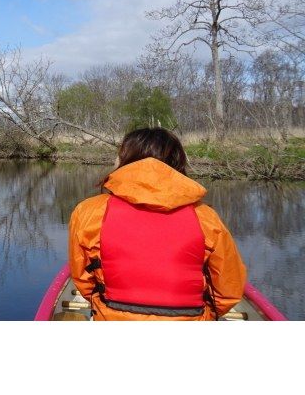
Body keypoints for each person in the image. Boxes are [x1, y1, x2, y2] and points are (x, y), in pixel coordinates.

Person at [68, 127, 246, 321]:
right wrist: (204, 316)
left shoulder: (88, 211)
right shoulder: (206, 218)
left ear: (125, 160)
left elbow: (83, 280)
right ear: (177, 164)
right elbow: (228, 291)